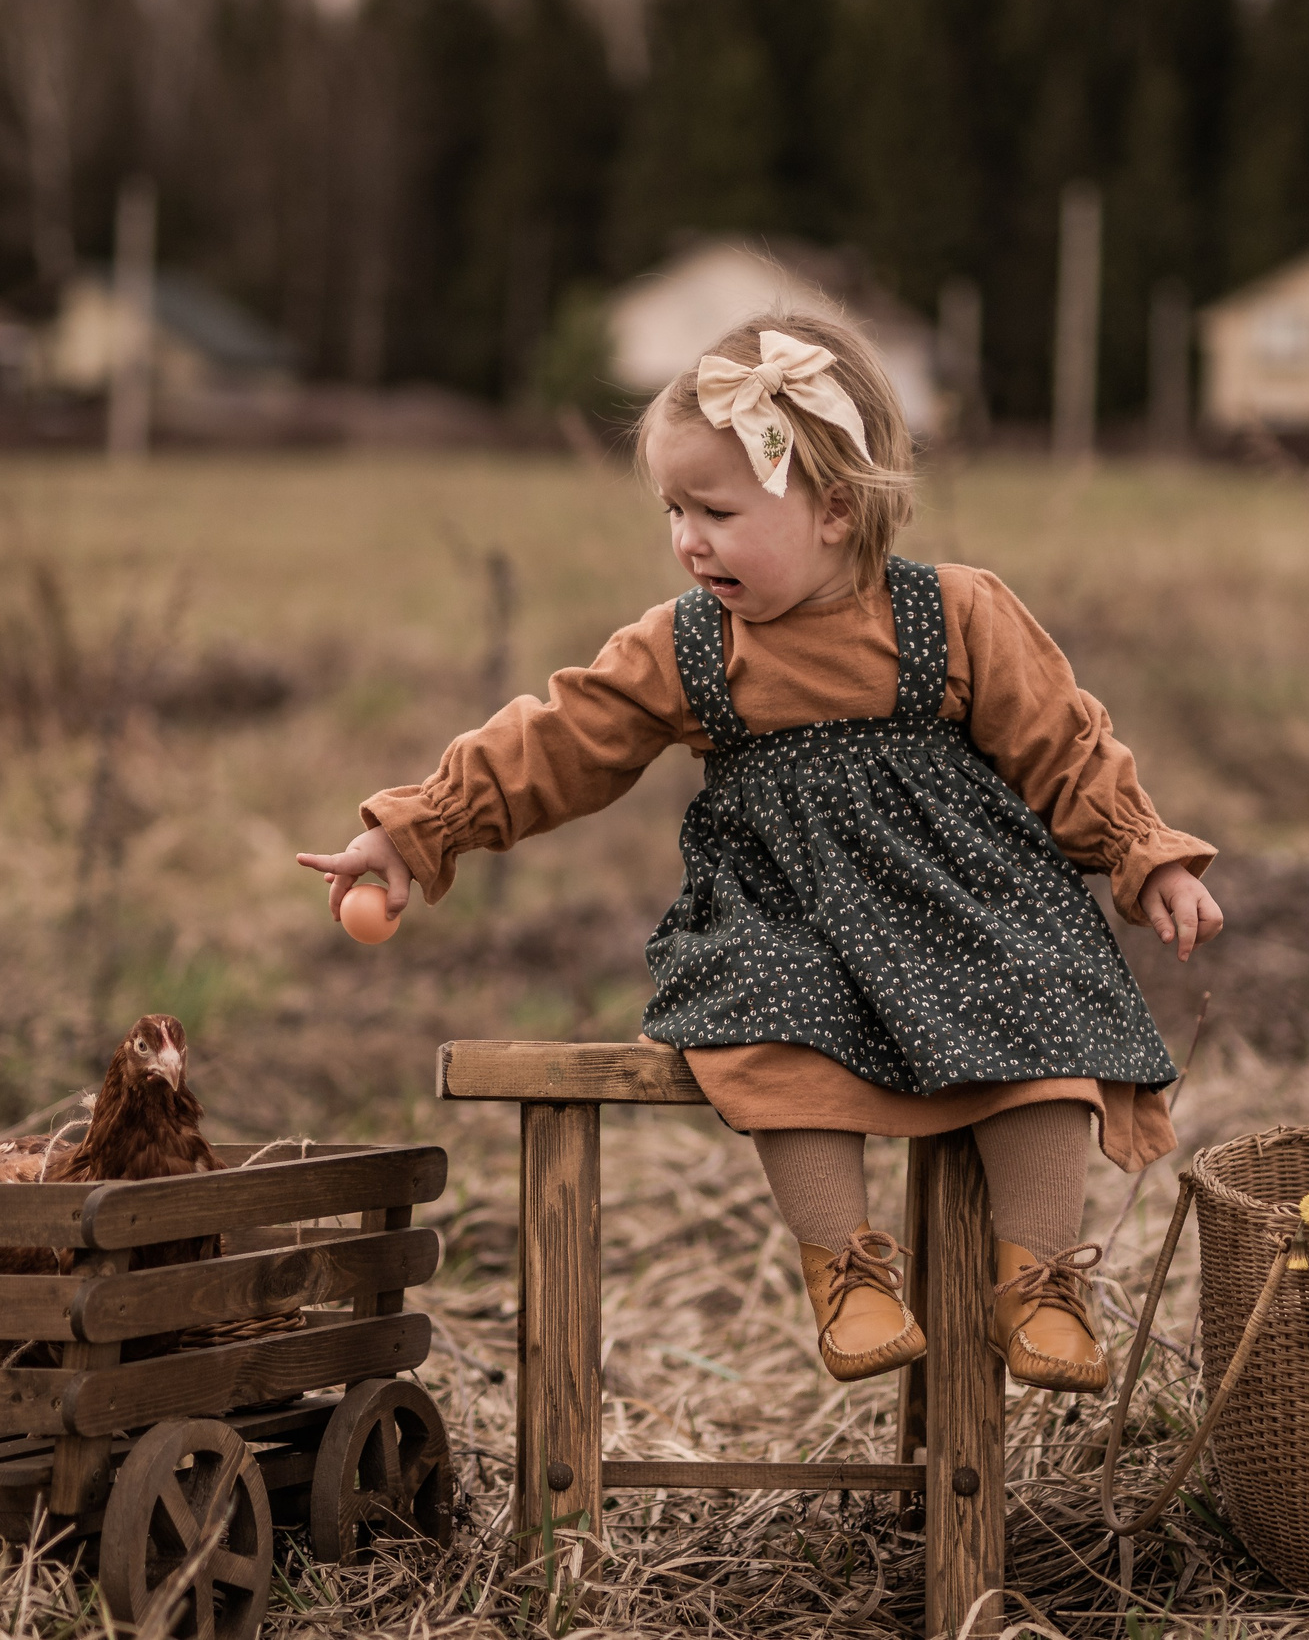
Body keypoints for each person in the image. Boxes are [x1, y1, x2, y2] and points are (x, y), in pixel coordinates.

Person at [299, 310, 1222, 1393]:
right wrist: (418, 827)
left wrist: (1140, 852)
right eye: (674, 511)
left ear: (835, 509)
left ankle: (1039, 1279)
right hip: (787, 915)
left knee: (1045, 989)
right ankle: (845, 1269)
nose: (689, 540)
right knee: (762, 1007)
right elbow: (557, 740)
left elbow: (1066, 743)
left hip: (961, 907)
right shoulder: (687, 646)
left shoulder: (955, 614)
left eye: (718, 511)